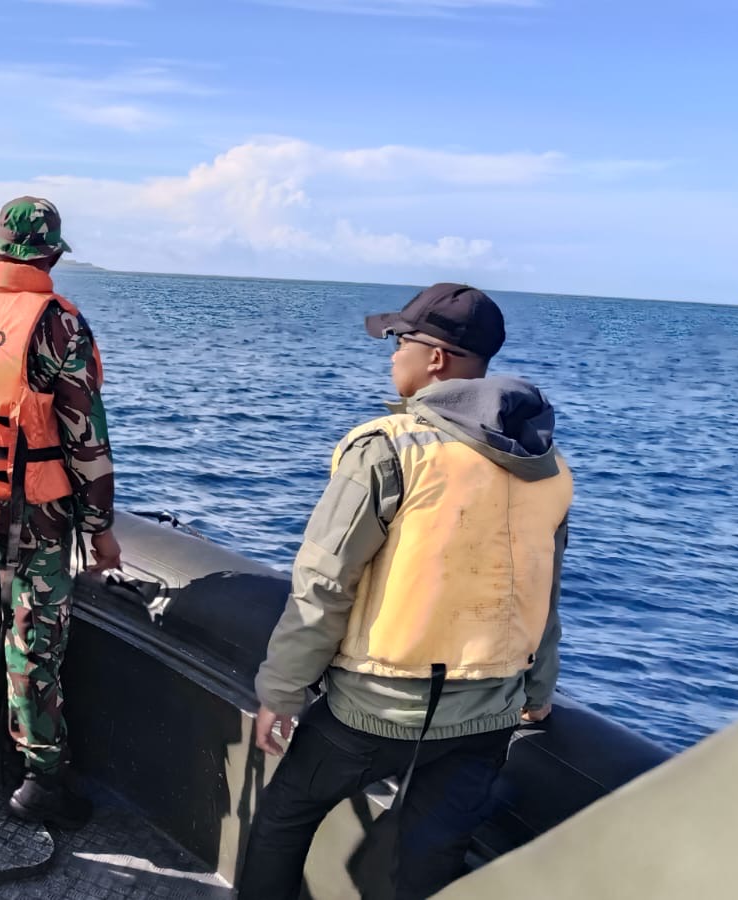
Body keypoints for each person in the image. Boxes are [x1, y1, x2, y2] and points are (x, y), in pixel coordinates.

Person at [237, 284, 572, 900]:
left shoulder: (390, 448)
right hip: (488, 716)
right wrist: (538, 690)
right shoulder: (546, 467)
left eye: (398, 342)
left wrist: (281, 692)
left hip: (376, 708)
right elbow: (543, 593)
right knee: (428, 862)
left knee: (284, 817)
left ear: (436, 358)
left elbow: (323, 584)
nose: (392, 357)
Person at [0, 196, 120, 828]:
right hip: (31, 508)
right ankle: (40, 781)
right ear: (50, 254)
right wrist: (99, 529)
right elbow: (82, 434)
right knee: (32, 643)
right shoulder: (58, 322)